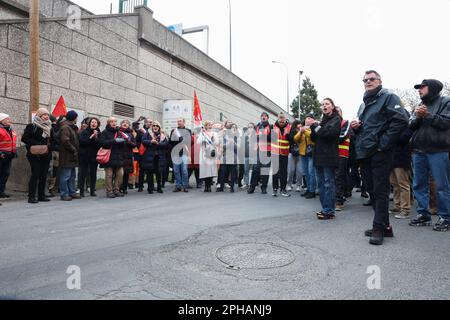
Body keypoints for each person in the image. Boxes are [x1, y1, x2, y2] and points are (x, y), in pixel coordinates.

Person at [351, 70, 409, 245]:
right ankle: (386, 227)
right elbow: (367, 128)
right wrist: (356, 127)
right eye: (365, 80)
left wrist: (383, 144)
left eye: (371, 79)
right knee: (371, 189)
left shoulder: (389, 97)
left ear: (379, 81)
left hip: (380, 153)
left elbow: (401, 120)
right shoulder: (364, 104)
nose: (368, 82)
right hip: (365, 152)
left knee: (380, 190)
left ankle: (378, 228)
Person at [408, 79, 450, 232]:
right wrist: (418, 116)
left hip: (439, 150)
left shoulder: (446, 101)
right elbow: (410, 125)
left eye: (422, 87)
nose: (419, 90)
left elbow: (446, 123)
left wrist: (427, 115)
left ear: (431, 88)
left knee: (442, 185)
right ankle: (423, 215)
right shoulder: (419, 106)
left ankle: (446, 217)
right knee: (419, 184)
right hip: (419, 151)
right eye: (418, 88)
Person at [309, 98, 342, 220]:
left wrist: (315, 127)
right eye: (322, 104)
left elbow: (328, 134)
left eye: (327, 104)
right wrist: (314, 128)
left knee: (328, 184)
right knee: (321, 184)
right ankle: (325, 209)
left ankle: (329, 211)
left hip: (328, 157)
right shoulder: (322, 121)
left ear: (332, 106)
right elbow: (314, 138)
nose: (324, 106)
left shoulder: (336, 119)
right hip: (318, 157)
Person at [21, 108, 52, 204]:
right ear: (39, 116)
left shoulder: (49, 127)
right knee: (35, 174)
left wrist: (52, 146)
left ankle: (41, 196)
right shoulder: (32, 126)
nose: (46, 116)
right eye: (44, 115)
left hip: (46, 154)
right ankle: (31, 197)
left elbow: (53, 140)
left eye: (47, 115)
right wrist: (38, 144)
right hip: (34, 154)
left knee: (43, 175)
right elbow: (25, 138)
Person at [389, 111, 413, 219]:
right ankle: (397, 205)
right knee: (394, 184)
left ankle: (405, 209)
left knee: (403, 184)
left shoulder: (407, 128)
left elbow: (402, 139)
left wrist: (392, 135)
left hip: (402, 159)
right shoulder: (394, 128)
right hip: (393, 159)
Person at [98, 117, 126, 198]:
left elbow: (124, 143)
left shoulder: (119, 132)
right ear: (108, 123)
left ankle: (116, 190)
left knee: (120, 174)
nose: (113, 123)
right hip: (108, 156)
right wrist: (114, 141)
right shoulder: (105, 132)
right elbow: (102, 143)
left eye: (115, 121)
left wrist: (122, 142)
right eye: (111, 121)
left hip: (118, 156)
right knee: (109, 175)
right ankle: (109, 191)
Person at [58, 110, 81, 201]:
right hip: (67, 155)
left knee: (72, 176)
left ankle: (72, 192)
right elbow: (65, 141)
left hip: (72, 156)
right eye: (76, 117)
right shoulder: (66, 127)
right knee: (65, 176)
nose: (77, 119)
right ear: (74, 118)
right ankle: (64, 194)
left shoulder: (72, 127)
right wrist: (74, 149)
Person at [141, 121, 169, 194]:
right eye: (154, 125)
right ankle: (150, 189)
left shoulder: (163, 135)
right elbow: (143, 141)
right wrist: (151, 141)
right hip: (149, 157)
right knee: (150, 173)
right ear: (152, 127)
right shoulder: (147, 133)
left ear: (159, 127)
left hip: (159, 157)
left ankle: (159, 188)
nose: (155, 127)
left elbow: (166, 144)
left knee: (158, 173)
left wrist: (158, 143)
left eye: (157, 126)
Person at [248, 112, 272, 195]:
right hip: (258, 150)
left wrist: (263, 135)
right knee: (256, 169)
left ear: (268, 118)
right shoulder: (257, 126)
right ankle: (252, 187)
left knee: (265, 169)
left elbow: (272, 138)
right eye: (262, 116)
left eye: (265, 116)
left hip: (267, 151)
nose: (263, 117)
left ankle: (264, 187)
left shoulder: (271, 127)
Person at [294, 114, 316, 199]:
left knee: (311, 172)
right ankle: (308, 189)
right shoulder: (301, 129)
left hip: (311, 153)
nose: (307, 120)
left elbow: (312, 137)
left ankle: (312, 191)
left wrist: (305, 131)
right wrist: (300, 132)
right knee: (306, 173)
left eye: (310, 118)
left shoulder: (314, 127)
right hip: (303, 153)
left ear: (313, 120)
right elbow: (295, 139)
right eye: (306, 118)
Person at [335, 106, 352, 211]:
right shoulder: (330, 122)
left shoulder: (345, 122)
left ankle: (339, 201)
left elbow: (343, 136)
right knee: (332, 177)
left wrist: (330, 135)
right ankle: (336, 197)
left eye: (338, 111)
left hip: (342, 154)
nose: (336, 113)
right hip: (331, 154)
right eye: (335, 111)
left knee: (339, 177)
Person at [78, 117, 101, 197]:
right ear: (89, 123)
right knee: (83, 174)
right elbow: (82, 142)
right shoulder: (84, 132)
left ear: (97, 124)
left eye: (95, 122)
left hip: (94, 156)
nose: (94, 124)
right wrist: (91, 136)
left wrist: (96, 137)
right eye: (92, 122)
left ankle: (92, 191)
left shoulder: (99, 133)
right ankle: (81, 191)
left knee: (93, 174)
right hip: (85, 156)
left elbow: (100, 144)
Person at [271, 112, 292, 197]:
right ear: (277, 118)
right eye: (280, 118)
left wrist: (289, 137)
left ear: (285, 119)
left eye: (283, 118)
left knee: (284, 172)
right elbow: (267, 138)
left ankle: (283, 189)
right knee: (275, 172)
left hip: (284, 153)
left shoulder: (289, 127)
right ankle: (275, 189)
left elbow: (293, 139)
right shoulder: (272, 126)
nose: (281, 119)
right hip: (275, 153)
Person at [169, 118, 192, 193]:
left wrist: (179, 138)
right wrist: (176, 138)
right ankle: (178, 186)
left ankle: (185, 186)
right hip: (175, 153)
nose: (178, 122)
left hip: (184, 153)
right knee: (176, 171)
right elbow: (171, 141)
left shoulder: (188, 131)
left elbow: (188, 141)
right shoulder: (174, 131)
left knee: (184, 170)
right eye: (178, 121)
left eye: (180, 121)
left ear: (184, 122)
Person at [217, 122, 239, 193]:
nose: (234, 129)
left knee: (232, 173)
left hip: (233, 157)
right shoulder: (225, 136)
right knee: (223, 173)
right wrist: (228, 143)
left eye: (235, 128)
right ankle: (221, 187)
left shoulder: (237, 137)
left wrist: (233, 143)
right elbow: (222, 146)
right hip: (225, 157)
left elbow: (238, 149)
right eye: (232, 127)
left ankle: (232, 187)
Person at [0, 113, 17, 202]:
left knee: (5, 173)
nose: (9, 120)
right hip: (1, 155)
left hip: (9, 155)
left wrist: (14, 152)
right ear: (2, 121)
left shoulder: (10, 129)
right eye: (7, 119)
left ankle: (2, 191)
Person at [198, 121, 219, 192]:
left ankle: (209, 186)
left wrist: (213, 140)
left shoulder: (215, 133)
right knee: (205, 170)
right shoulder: (202, 134)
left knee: (211, 170)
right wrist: (203, 138)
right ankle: (206, 186)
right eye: (208, 125)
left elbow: (217, 143)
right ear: (206, 126)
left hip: (212, 153)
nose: (210, 126)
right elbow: (198, 142)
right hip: (204, 153)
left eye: (211, 125)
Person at [119, 120, 137, 195]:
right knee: (119, 173)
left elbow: (134, 144)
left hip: (128, 156)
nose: (125, 124)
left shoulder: (130, 134)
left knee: (126, 173)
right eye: (123, 123)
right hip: (119, 155)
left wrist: (128, 142)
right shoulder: (118, 132)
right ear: (120, 124)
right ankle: (118, 187)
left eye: (127, 123)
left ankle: (124, 188)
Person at [135, 118, 152, 192]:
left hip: (151, 152)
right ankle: (140, 186)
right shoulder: (141, 131)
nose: (150, 124)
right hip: (143, 153)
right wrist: (141, 146)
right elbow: (137, 141)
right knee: (142, 170)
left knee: (150, 171)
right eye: (149, 122)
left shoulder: (153, 131)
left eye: (151, 122)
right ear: (145, 123)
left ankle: (150, 186)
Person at [46, 115, 61, 198]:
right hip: (53, 151)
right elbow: (55, 139)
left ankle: (52, 188)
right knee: (52, 170)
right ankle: (50, 188)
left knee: (55, 170)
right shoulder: (53, 128)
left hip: (55, 151)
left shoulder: (55, 128)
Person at [287, 120, 303, 192]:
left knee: (299, 170)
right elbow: (291, 139)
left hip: (300, 153)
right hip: (292, 153)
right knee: (291, 170)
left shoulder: (303, 131)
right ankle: (289, 184)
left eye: (301, 124)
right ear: (296, 124)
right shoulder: (291, 131)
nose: (300, 125)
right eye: (299, 124)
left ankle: (299, 185)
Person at [239, 123, 256, 189]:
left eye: (251, 127)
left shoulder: (255, 135)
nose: (250, 128)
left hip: (253, 155)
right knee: (246, 170)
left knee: (254, 170)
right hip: (246, 155)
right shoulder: (244, 135)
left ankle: (253, 184)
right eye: (249, 127)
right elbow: (242, 145)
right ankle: (246, 183)